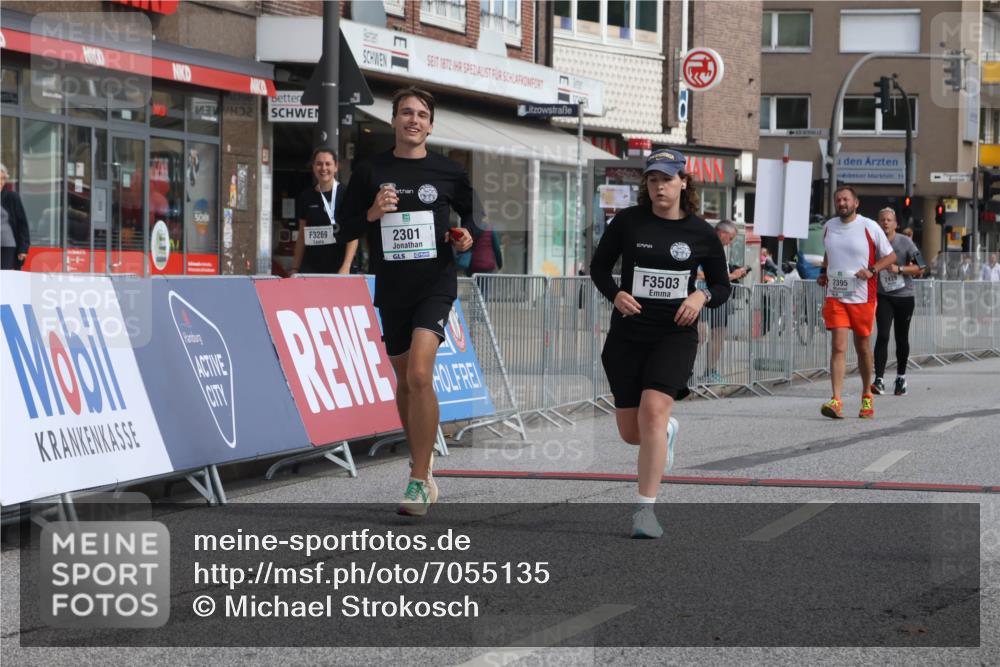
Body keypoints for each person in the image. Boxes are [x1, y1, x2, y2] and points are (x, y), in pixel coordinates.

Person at [339, 87, 478, 517]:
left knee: (420, 372)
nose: (413, 120)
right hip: (393, 288)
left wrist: (465, 234)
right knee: (405, 382)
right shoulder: (370, 170)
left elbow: (472, 217)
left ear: (430, 125)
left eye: (421, 114)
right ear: (394, 121)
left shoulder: (449, 172)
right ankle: (424, 462)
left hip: (435, 284)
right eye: (405, 113)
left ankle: (417, 480)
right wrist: (371, 215)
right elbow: (342, 228)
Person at [590, 149, 730, 539]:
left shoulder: (701, 232)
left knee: (653, 410)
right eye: (653, 179)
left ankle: (645, 511)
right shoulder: (628, 222)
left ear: (683, 182)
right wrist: (615, 294)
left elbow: (722, 286)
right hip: (628, 334)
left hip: (674, 333)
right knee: (632, 434)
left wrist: (699, 296)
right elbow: (599, 267)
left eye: (667, 179)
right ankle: (664, 432)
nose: (659, 186)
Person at [817, 186, 896, 419]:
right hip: (836, 295)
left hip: (862, 296)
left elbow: (890, 256)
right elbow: (829, 253)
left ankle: (866, 396)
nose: (842, 203)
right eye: (838, 200)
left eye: (846, 199)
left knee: (862, 348)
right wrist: (824, 272)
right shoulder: (829, 227)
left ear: (856, 203)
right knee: (838, 346)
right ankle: (836, 400)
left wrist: (872, 270)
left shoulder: (869, 226)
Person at [871, 207, 923, 397]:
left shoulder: (906, 242)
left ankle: (901, 377)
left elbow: (921, 267)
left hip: (904, 296)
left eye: (889, 220)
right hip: (884, 296)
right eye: (882, 219)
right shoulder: (873, 243)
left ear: (896, 224)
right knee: (883, 335)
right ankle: (879, 379)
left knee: (901, 338)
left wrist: (899, 268)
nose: (885, 222)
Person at [290, 148, 357, 275]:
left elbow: (353, 235)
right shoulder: (306, 196)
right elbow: (302, 236)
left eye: (328, 164)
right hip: (311, 268)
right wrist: (295, 268)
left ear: (336, 167)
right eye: (319, 164)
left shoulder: (346, 194)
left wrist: (346, 266)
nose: (323, 168)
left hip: (339, 268)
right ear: (313, 167)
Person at [696, 220, 748, 384]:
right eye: (730, 238)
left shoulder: (720, 250)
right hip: (700, 296)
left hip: (718, 297)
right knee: (700, 334)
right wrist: (733, 276)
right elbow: (697, 274)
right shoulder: (702, 244)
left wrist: (732, 275)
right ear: (722, 234)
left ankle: (710, 371)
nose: (730, 243)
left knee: (719, 333)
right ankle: (686, 371)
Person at [0, 163, 30, 270]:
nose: (1, 182)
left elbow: (22, 224)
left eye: (3, 178)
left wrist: (23, 248)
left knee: (3, 276)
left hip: (6, 244)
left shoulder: (12, 197)